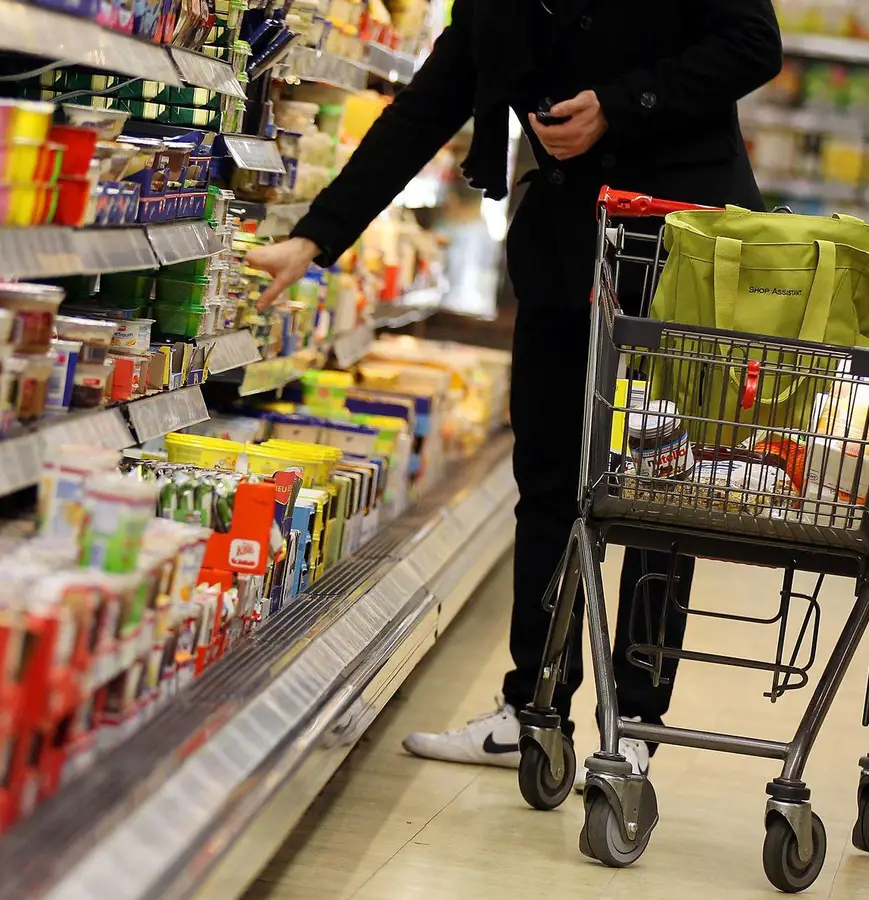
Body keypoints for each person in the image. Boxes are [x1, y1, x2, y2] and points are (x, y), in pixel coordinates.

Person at [247, 0, 783, 782]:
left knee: (660, 488)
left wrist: (618, 105)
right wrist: (316, 235)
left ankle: (634, 717)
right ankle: (533, 709)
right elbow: (431, 101)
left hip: (681, 247)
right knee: (548, 479)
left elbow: (752, 43)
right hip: (567, 243)